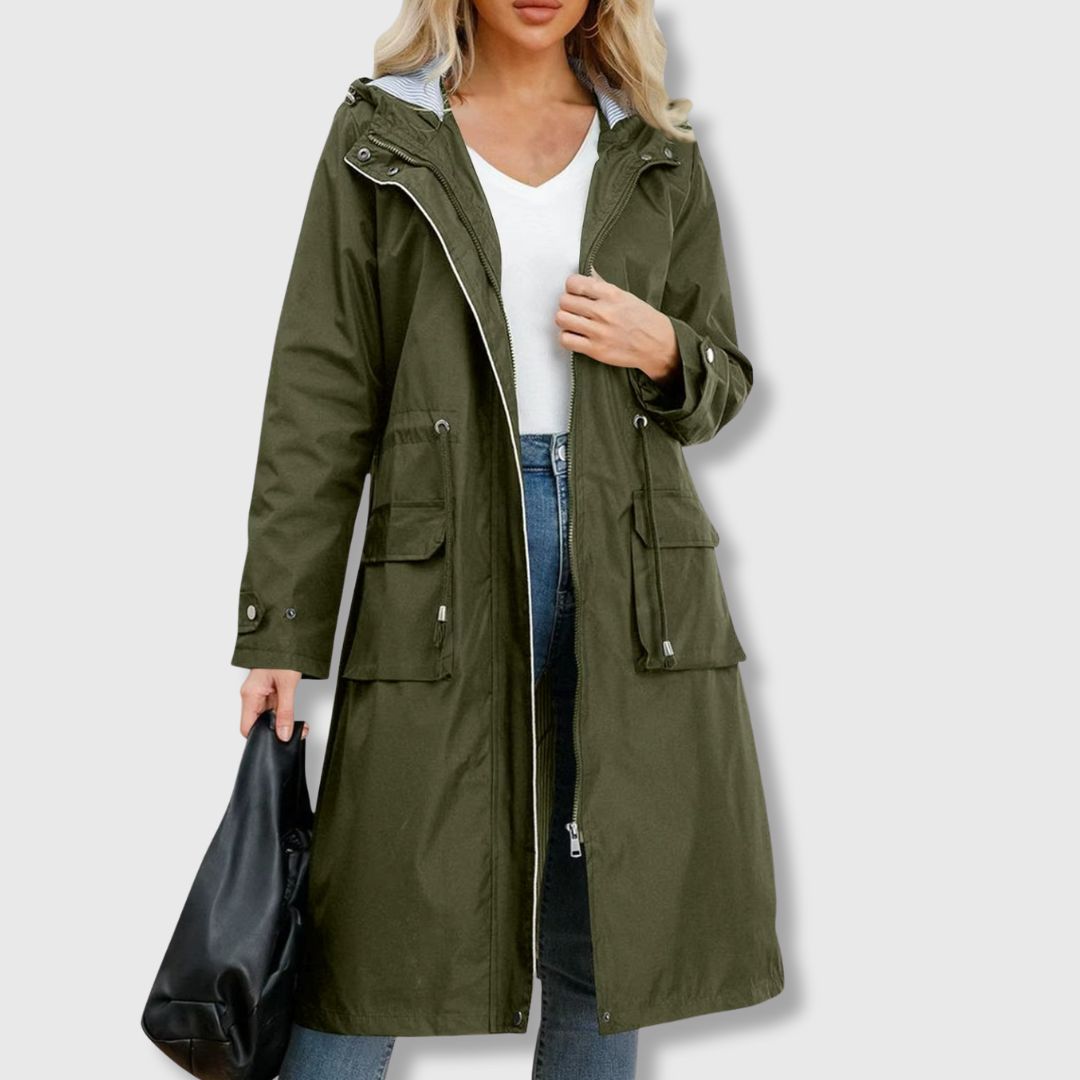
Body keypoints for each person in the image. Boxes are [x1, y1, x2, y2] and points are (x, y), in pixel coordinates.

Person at [232, 1, 784, 1076]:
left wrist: (665, 347)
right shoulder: (382, 135)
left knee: (606, 937)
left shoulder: (657, 147)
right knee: (373, 930)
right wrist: (280, 629)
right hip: (443, 561)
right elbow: (320, 392)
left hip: (635, 565)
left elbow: (720, 383)